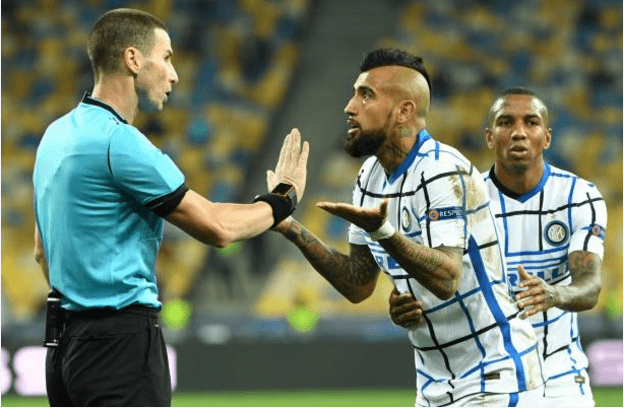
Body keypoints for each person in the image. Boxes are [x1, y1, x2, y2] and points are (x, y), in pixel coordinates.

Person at [32, 8, 309, 407]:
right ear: (132, 59)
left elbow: (42, 251)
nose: (174, 74)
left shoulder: (54, 136)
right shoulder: (120, 142)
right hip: (119, 347)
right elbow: (216, 227)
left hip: (63, 348)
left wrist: (82, 307)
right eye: (166, 57)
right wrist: (283, 199)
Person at [270, 48, 546, 406]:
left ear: (403, 111)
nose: (349, 107)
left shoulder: (441, 170)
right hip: (434, 383)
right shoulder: (369, 178)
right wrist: (290, 227)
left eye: (365, 95)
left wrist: (384, 233)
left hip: (495, 373)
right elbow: (358, 283)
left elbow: (446, 279)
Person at [389, 87, 607, 407]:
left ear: (546, 138)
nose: (519, 132)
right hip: (488, 378)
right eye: (506, 122)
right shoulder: (460, 201)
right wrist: (403, 304)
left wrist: (555, 294)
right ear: (490, 137)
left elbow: (590, 287)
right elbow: (436, 280)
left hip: (560, 377)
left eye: (531, 122)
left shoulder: (579, 197)